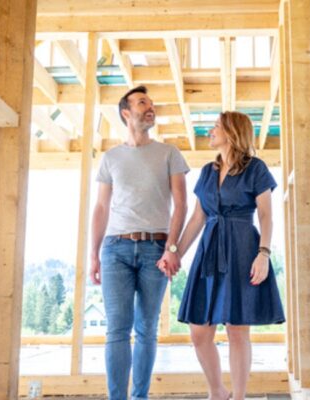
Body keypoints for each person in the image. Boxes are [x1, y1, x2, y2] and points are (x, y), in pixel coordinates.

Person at [163, 111, 285, 400]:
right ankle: (218, 391)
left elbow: (266, 215)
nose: (210, 131)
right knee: (199, 332)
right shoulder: (207, 171)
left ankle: (239, 396)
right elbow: (197, 218)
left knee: (237, 330)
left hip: (243, 249)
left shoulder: (255, 168)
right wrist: (176, 252)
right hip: (209, 251)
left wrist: (263, 254)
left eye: (216, 127)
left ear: (231, 133)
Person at [89, 85, 190, 400]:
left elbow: (181, 205)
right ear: (126, 113)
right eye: (143, 103)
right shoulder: (111, 157)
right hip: (114, 249)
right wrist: (93, 255)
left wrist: (172, 248)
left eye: (151, 103)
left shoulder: (169, 153)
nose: (150, 108)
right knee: (117, 330)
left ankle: (140, 397)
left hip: (155, 250)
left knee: (146, 329)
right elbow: (101, 208)